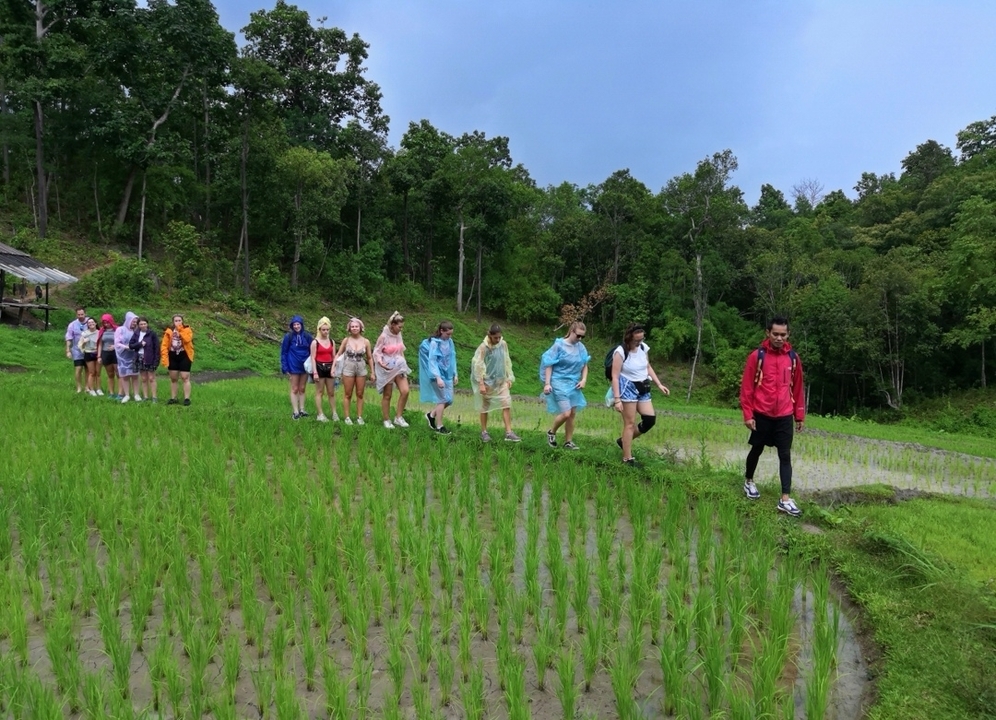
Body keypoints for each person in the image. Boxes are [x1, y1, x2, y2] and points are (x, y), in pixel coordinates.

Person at [739, 316, 805, 517]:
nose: (779, 338)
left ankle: (785, 499)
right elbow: (747, 388)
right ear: (767, 333)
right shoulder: (757, 356)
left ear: (788, 335)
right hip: (762, 414)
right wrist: (748, 414)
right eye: (775, 334)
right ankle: (749, 481)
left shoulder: (793, 358)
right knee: (756, 449)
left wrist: (799, 415)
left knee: (785, 455)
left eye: (783, 334)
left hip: (784, 415)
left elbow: (798, 387)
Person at [607, 323, 669, 466]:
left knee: (649, 420)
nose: (639, 342)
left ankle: (623, 441)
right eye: (636, 340)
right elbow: (615, 376)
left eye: (641, 339)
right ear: (629, 337)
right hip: (627, 387)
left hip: (643, 386)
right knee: (629, 424)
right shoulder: (620, 352)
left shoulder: (643, 347)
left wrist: (659, 384)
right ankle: (627, 458)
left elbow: (647, 366)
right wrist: (617, 400)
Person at [539, 321, 590, 450]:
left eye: (582, 337)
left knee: (572, 413)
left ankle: (568, 441)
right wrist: (547, 383)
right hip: (558, 382)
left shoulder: (581, 347)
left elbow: (585, 366)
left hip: (573, 383)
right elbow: (548, 364)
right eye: (578, 335)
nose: (580, 339)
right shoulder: (559, 345)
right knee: (566, 413)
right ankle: (551, 432)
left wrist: (583, 379)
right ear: (571, 331)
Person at [471, 324, 520, 443]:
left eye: (499, 337)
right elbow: (478, 365)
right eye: (495, 338)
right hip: (488, 382)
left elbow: (506, 360)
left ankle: (509, 432)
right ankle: (484, 432)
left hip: (501, 381)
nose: (497, 340)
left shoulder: (503, 344)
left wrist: (509, 377)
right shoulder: (484, 347)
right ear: (490, 336)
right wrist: (481, 383)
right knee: (485, 407)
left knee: (506, 403)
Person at [373, 311, 412, 429]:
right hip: (388, 367)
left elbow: (401, 351)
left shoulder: (399, 335)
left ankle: (398, 417)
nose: (401, 329)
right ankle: (386, 419)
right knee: (387, 395)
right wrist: (381, 363)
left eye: (402, 327)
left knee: (405, 391)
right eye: (399, 327)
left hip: (399, 366)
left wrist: (404, 367)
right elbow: (376, 352)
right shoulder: (384, 336)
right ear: (393, 325)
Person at [419, 320, 458, 435]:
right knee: (442, 399)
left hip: (448, 374)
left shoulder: (450, 342)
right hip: (437, 375)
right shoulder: (435, 343)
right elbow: (432, 361)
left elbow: (452, 357)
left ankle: (431, 415)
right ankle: (439, 426)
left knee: (449, 400)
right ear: (441, 331)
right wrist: (437, 377)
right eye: (447, 334)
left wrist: (455, 373)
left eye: (451, 334)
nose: (449, 336)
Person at [338, 317, 374, 425]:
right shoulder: (346, 340)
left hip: (361, 367)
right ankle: (347, 417)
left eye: (356, 326)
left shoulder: (366, 341)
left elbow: (369, 357)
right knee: (348, 393)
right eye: (352, 326)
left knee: (360, 393)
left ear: (360, 328)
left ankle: (359, 417)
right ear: (349, 328)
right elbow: (339, 354)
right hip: (348, 366)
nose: (354, 328)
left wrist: (372, 372)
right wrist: (334, 367)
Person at [280, 315, 313, 419]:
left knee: (302, 388)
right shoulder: (288, 337)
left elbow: (313, 351)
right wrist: (285, 367)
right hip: (293, 365)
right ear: (292, 326)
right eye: (294, 324)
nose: (296, 326)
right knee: (294, 388)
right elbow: (284, 353)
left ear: (301, 325)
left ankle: (302, 410)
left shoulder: (307, 337)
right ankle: (295, 411)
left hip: (305, 366)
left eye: (298, 324)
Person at [161, 314, 194, 406]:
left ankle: (187, 398)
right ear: (173, 322)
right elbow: (164, 345)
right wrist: (164, 358)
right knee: (173, 378)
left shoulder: (187, 330)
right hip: (172, 355)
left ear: (182, 321)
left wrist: (180, 330)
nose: (178, 322)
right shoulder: (169, 331)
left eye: (179, 320)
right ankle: (173, 398)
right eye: (176, 321)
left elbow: (187, 339)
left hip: (184, 355)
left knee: (185, 377)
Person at [310, 317, 339, 422]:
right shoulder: (315, 342)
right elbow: (312, 357)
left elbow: (334, 356)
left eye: (327, 329)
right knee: (319, 391)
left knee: (331, 392)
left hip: (330, 367)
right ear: (319, 329)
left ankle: (334, 413)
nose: (325, 332)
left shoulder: (332, 342)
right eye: (323, 329)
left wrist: (334, 369)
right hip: (319, 367)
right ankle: (320, 414)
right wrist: (315, 372)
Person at [130, 317, 159, 402]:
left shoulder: (152, 334)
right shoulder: (136, 333)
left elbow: (157, 348)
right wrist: (140, 344)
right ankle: (145, 397)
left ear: (147, 324)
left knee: (151, 378)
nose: (143, 325)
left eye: (144, 324)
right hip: (139, 357)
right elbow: (131, 345)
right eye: (141, 324)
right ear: (138, 325)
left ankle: (154, 397)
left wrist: (156, 361)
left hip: (150, 358)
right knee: (143, 378)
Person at [115, 312, 140, 403]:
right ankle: (127, 395)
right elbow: (117, 342)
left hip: (134, 355)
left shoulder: (136, 331)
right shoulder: (120, 329)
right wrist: (126, 347)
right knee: (125, 376)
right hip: (123, 356)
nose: (134, 323)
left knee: (135, 375)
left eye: (136, 322)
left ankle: (136, 394)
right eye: (133, 321)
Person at [65, 306, 88, 393]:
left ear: (85, 313)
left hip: (88, 350)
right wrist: (68, 350)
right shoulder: (72, 324)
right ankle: (79, 387)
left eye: (82, 314)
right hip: (77, 350)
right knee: (78, 369)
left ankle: (87, 387)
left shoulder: (90, 322)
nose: (80, 316)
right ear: (76, 315)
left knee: (88, 369)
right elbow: (69, 338)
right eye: (78, 314)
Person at [96, 313, 118, 398]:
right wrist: (99, 356)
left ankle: (120, 393)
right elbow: (100, 344)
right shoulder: (102, 330)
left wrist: (115, 346)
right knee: (110, 374)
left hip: (115, 353)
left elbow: (121, 341)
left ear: (111, 321)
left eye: (107, 322)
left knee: (118, 373)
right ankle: (111, 392)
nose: (106, 324)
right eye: (104, 323)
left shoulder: (117, 329)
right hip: (105, 353)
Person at [78, 317, 100, 396]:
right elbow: (80, 345)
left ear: (96, 323)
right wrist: (84, 342)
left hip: (98, 353)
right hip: (88, 353)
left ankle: (98, 389)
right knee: (92, 372)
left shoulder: (99, 332)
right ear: (87, 325)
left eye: (92, 322)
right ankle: (91, 389)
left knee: (98, 372)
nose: (91, 324)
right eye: (89, 323)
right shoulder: (84, 333)